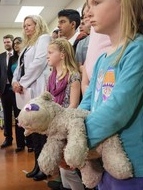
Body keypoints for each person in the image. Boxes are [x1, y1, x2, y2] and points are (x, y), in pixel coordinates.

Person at [78, 0, 143, 189]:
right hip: (106, 163)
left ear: (124, 1)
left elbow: (118, 108)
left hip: (138, 167)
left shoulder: (140, 48)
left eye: (96, 3)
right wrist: (70, 128)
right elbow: (87, 103)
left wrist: (78, 139)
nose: (88, 13)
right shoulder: (102, 59)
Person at [12, 15, 51, 181]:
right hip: (27, 89)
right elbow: (18, 67)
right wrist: (15, 81)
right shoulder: (27, 45)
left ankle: (45, 167)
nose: (26, 28)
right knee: (33, 130)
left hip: (37, 88)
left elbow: (40, 62)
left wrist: (22, 82)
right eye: (24, 25)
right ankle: (37, 165)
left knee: (42, 130)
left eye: (30, 25)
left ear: (38, 25)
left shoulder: (43, 38)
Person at [47, 38, 82, 190]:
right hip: (54, 125)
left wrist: (59, 122)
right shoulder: (51, 77)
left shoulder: (73, 75)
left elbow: (73, 105)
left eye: (50, 52)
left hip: (68, 125)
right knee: (62, 166)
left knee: (69, 168)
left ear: (62, 55)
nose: (47, 56)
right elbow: (47, 101)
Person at [7, 37, 31, 152]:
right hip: (16, 90)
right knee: (19, 118)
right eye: (14, 43)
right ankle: (20, 144)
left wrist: (23, 84)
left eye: (18, 43)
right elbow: (9, 75)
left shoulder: (27, 56)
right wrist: (14, 85)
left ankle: (30, 144)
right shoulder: (12, 59)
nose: (15, 45)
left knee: (30, 117)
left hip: (28, 89)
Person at [0, 34, 16, 148]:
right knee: (6, 115)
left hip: (16, 90)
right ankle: (8, 138)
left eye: (8, 42)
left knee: (19, 115)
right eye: (4, 42)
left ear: (12, 42)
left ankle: (22, 139)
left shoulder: (18, 55)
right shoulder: (0, 57)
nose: (6, 44)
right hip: (4, 90)